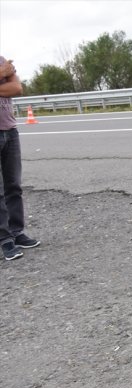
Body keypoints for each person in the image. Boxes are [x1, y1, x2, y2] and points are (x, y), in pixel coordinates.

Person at [0, 56, 40, 261]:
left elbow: (16, 89)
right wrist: (2, 75)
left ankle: (16, 231)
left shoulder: (2, 60)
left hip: (9, 130)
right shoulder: (3, 67)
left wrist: (7, 73)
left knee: (13, 186)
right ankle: (4, 239)